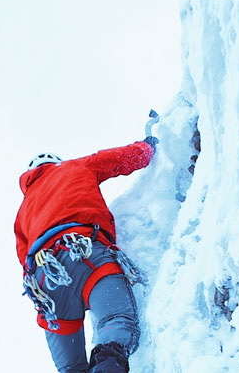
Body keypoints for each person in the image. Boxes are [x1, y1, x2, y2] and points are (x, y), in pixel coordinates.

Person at [14, 137, 158, 373]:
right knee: (116, 323)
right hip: (86, 256)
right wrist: (147, 148)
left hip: (46, 281)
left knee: (71, 368)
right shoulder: (74, 167)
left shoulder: (23, 212)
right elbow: (118, 159)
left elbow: (23, 257)